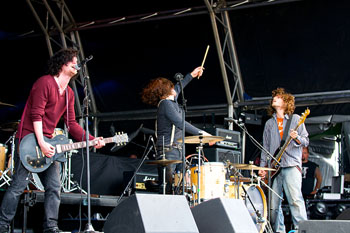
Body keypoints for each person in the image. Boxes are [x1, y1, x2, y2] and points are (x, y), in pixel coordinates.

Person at [0, 48, 105, 233]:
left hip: (49, 143)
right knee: (18, 185)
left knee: (54, 187)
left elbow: (71, 124)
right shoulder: (45, 83)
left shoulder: (70, 94)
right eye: (73, 61)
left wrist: (91, 139)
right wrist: (41, 142)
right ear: (62, 63)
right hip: (29, 140)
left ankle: (51, 227)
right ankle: (2, 225)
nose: (76, 64)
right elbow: (36, 114)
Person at [141, 67, 211, 194]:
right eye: (171, 87)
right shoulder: (165, 104)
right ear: (165, 91)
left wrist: (191, 75)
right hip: (168, 150)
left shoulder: (171, 101)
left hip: (178, 149)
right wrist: (202, 134)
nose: (175, 88)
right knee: (168, 188)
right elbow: (179, 122)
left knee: (181, 186)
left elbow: (180, 86)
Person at [258, 88, 308, 233]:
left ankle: (301, 230)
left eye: (279, 97)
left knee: (295, 200)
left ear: (286, 102)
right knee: (273, 206)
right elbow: (265, 148)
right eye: (274, 97)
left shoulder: (296, 119)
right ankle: (279, 231)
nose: (275, 99)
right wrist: (263, 167)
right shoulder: (269, 124)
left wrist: (296, 137)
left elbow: (306, 141)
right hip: (274, 168)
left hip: (291, 165)